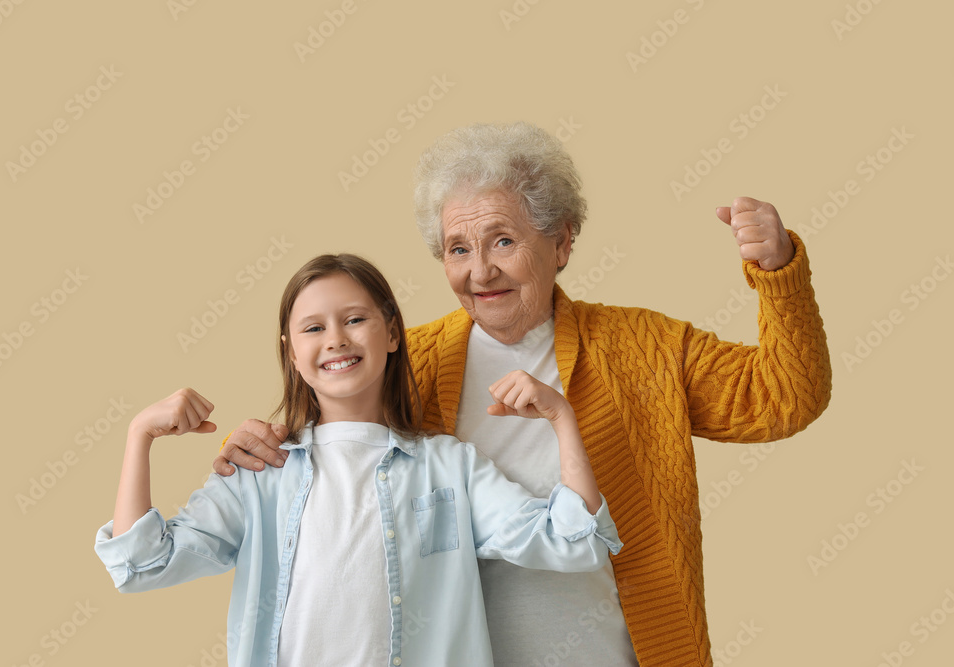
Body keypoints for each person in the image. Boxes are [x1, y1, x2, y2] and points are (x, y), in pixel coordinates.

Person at [214, 122, 832, 666]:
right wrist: (265, 445)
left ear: (561, 243)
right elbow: (335, 456)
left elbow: (784, 395)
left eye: (503, 242)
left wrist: (777, 273)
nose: (479, 272)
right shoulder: (410, 360)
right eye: (459, 249)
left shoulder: (644, 347)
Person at [94, 253, 621, 667]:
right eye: (313, 328)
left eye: (354, 319)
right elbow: (144, 565)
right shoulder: (260, 472)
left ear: (392, 332)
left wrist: (562, 420)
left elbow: (574, 543)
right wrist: (139, 436)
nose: (336, 339)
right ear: (291, 354)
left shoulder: (451, 467)